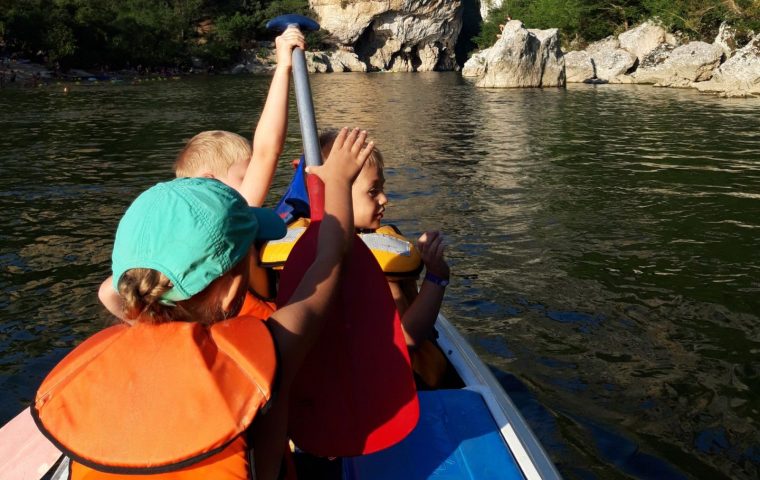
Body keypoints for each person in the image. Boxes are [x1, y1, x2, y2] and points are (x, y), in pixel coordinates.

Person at [33, 128, 375, 480]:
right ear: (231, 292)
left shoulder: (104, 355)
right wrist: (337, 181)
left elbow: (110, 290)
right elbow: (332, 257)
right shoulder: (273, 351)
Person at [97, 27, 305, 321]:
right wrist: (283, 66)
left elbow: (107, 292)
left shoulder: (157, 271)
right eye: (243, 177)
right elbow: (266, 151)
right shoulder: (225, 214)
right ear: (209, 181)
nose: (254, 183)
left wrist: (134, 320)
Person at [316, 131, 459, 390]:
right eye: (373, 191)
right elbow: (407, 337)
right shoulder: (377, 267)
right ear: (335, 194)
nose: (385, 199)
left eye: (382, 188)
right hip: (401, 384)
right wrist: (436, 277)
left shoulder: (317, 249)